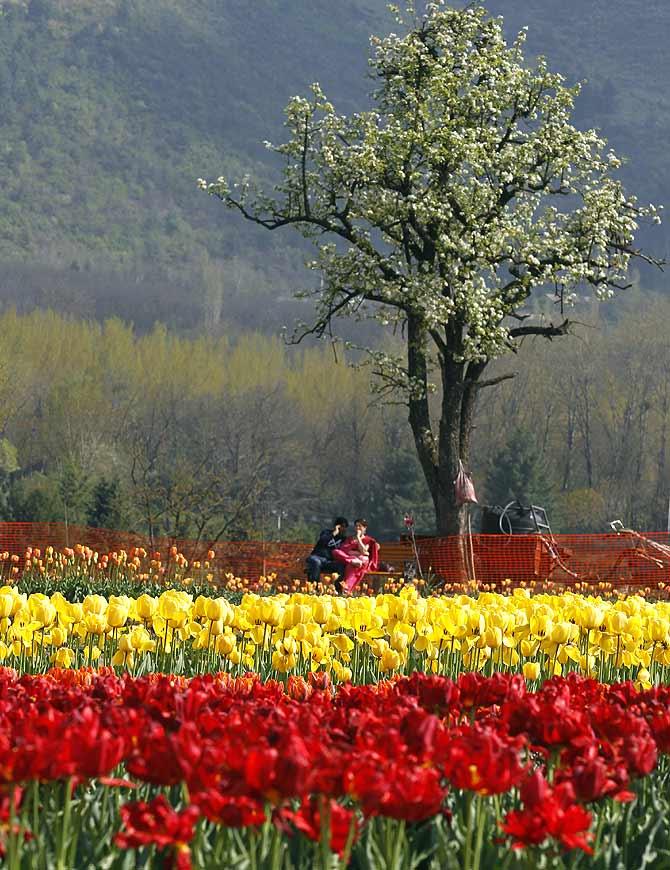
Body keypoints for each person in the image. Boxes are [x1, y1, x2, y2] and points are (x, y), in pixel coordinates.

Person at [332, 518, 379, 594]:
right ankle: (352, 561)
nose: (357, 528)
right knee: (335, 552)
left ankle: (346, 589)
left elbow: (364, 551)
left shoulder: (368, 540)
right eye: (356, 526)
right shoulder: (350, 539)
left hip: (361, 561)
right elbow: (344, 550)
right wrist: (356, 554)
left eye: (360, 526)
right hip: (352, 560)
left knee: (356, 564)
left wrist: (358, 538)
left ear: (365, 528)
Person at [305, 517, 349, 584]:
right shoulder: (326, 532)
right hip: (317, 557)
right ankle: (314, 587)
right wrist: (334, 533)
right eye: (342, 526)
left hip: (329, 562)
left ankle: (338, 589)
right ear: (337, 526)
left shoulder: (344, 539)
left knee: (341, 566)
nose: (344, 529)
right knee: (316, 562)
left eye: (345, 527)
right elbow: (323, 541)